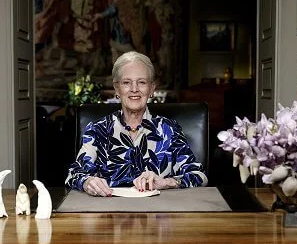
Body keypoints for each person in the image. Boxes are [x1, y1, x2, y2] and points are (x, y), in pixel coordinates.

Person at [65, 51, 208, 196]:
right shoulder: (97, 130)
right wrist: (87, 181)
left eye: (142, 82)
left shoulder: (169, 130)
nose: (134, 89)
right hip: (109, 214)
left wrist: (167, 182)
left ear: (151, 88)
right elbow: (74, 174)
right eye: (126, 82)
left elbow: (199, 176)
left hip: (158, 213)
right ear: (117, 88)